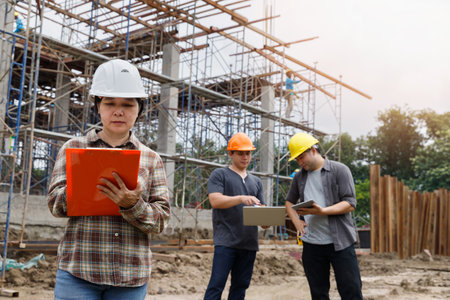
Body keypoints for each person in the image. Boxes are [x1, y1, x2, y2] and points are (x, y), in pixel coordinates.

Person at [47, 59, 171, 300]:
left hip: (130, 275)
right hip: (79, 271)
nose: (118, 111)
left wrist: (132, 205)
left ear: (139, 109)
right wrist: (82, 187)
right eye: (110, 103)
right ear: (98, 106)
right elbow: (54, 204)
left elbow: (161, 220)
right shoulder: (73, 149)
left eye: (127, 104)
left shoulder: (151, 158)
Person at [285, 132, 363, 300]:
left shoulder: (339, 170)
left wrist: (323, 211)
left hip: (340, 243)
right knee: (319, 294)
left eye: (301, 157)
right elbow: (289, 202)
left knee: (352, 291)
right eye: (297, 159)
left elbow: (350, 203)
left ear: (313, 150)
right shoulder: (299, 176)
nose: (300, 162)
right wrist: (296, 222)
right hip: (312, 246)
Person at [204, 132, 265, 300]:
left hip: (249, 243)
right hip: (226, 242)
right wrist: (240, 198)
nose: (245, 157)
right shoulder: (220, 175)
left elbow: (262, 213)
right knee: (216, 285)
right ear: (230, 154)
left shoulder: (256, 182)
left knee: (240, 288)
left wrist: (268, 220)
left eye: (248, 153)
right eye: (240, 153)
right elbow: (215, 200)